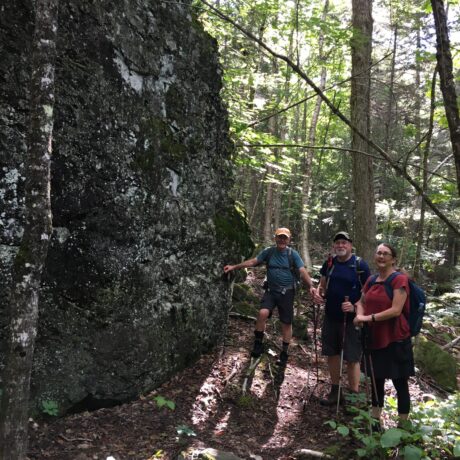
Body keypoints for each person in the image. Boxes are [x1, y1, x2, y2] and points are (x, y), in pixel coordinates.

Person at [224, 227, 316, 367]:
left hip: (287, 292)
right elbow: (253, 262)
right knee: (262, 313)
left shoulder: (293, 254)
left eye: (284, 238)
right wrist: (235, 267)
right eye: (279, 237)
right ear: (275, 238)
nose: (282, 240)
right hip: (271, 291)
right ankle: (258, 344)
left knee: (286, 323)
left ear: (289, 239)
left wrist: (311, 286)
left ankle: (284, 353)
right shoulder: (269, 252)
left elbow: (302, 271)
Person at [353, 243, 414, 429]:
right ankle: (375, 421)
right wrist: (359, 315)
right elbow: (360, 301)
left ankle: (403, 426)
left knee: (399, 382)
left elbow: (396, 310)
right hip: (374, 338)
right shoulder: (371, 280)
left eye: (385, 254)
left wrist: (368, 318)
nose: (381, 256)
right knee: (376, 380)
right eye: (378, 253)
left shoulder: (399, 280)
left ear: (393, 259)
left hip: (396, 338)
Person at [312, 231, 370, 406]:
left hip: (352, 320)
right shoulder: (330, 263)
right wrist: (318, 293)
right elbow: (322, 284)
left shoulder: (360, 265)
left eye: (344, 243)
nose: (340, 246)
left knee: (352, 357)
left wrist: (354, 307)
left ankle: (354, 397)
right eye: (337, 243)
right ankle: (335, 392)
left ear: (350, 245)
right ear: (334, 246)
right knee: (332, 354)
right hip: (331, 316)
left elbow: (368, 292)